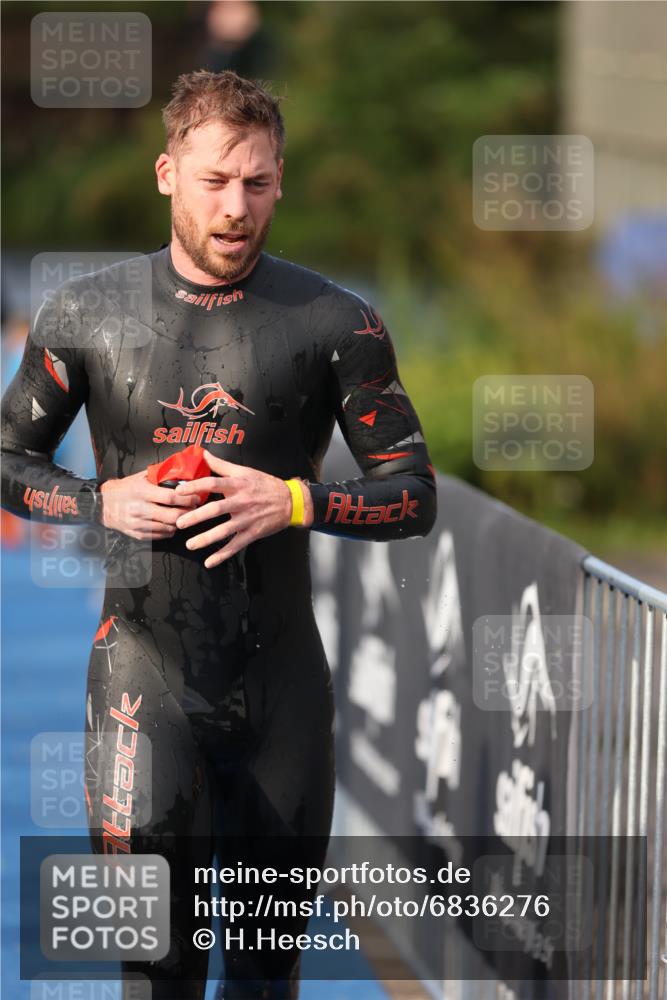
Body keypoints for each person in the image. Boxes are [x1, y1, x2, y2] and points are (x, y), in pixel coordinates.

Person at [1, 70, 437, 999]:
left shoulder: (334, 323)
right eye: (213, 181)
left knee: (264, 981)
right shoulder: (86, 314)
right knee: (152, 974)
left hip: (280, 695)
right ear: (167, 174)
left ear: (281, 181)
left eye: (257, 183)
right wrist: (97, 503)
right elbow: (6, 460)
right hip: (139, 686)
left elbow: (412, 494)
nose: (235, 208)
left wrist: (296, 502)